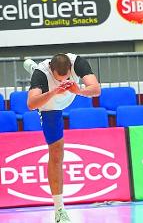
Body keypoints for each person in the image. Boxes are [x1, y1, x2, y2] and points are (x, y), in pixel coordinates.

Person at [24, 53, 101, 223]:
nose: (62, 81)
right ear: (52, 70)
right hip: (49, 103)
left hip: (70, 95)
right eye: (58, 78)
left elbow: (96, 90)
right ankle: (59, 210)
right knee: (56, 152)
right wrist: (54, 91)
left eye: (64, 78)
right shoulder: (42, 73)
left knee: (58, 152)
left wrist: (78, 90)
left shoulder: (78, 62)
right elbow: (31, 104)